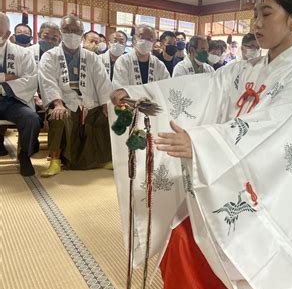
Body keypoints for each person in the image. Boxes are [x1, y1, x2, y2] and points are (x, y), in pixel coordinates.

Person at [110, 0, 292, 289]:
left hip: (267, 189)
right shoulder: (247, 69)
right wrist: (139, 98)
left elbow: (270, 132)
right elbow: (202, 88)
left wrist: (200, 144)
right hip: (227, 173)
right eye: (254, 14)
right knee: (182, 226)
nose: (256, 23)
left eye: (266, 14)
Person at [38, 14, 113, 177]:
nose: (71, 33)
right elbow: (47, 82)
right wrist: (57, 103)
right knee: (57, 115)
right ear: (61, 31)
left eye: (76, 30)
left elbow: (102, 82)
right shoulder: (50, 56)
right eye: (67, 30)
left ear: (82, 32)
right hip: (64, 101)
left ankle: (105, 158)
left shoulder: (91, 57)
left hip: (88, 100)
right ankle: (55, 160)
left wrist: (106, 105)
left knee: (106, 115)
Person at [0, 13, 40, 176]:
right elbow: (17, 77)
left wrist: (3, 88)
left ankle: (25, 155)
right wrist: (6, 77)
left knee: (31, 118)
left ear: (8, 34)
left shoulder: (23, 54)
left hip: (13, 100)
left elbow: (30, 79)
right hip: (11, 91)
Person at [112, 24, 170, 89]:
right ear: (134, 39)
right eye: (142, 37)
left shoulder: (159, 65)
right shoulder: (123, 61)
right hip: (130, 99)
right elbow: (120, 89)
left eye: (150, 39)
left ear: (154, 43)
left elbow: (166, 87)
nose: (145, 41)